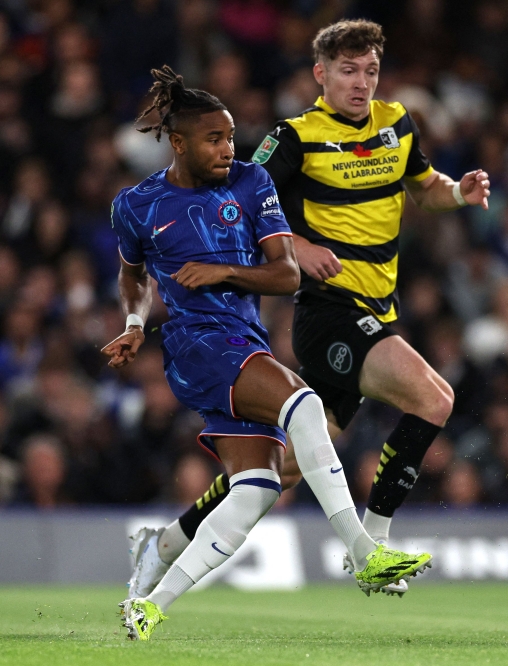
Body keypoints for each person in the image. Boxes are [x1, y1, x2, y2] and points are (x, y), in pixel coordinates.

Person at [127, 19, 488, 599]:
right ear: (320, 74)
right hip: (328, 313)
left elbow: (422, 187)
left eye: (370, 70)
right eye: (348, 71)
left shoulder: (397, 123)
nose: (361, 83)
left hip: (380, 308)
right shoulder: (294, 137)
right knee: (434, 396)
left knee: (279, 472)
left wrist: (456, 192)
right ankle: (372, 542)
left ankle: (167, 540)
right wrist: (300, 245)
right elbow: (239, 206)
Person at [108, 67, 430, 641]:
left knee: (256, 490)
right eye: (214, 139)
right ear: (178, 143)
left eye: (231, 136)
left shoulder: (252, 182)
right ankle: (362, 548)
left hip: (243, 340)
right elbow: (133, 275)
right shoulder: (138, 204)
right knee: (304, 405)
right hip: (196, 344)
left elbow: (286, 275)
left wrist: (226, 269)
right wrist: (135, 322)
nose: (228, 148)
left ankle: (150, 596)